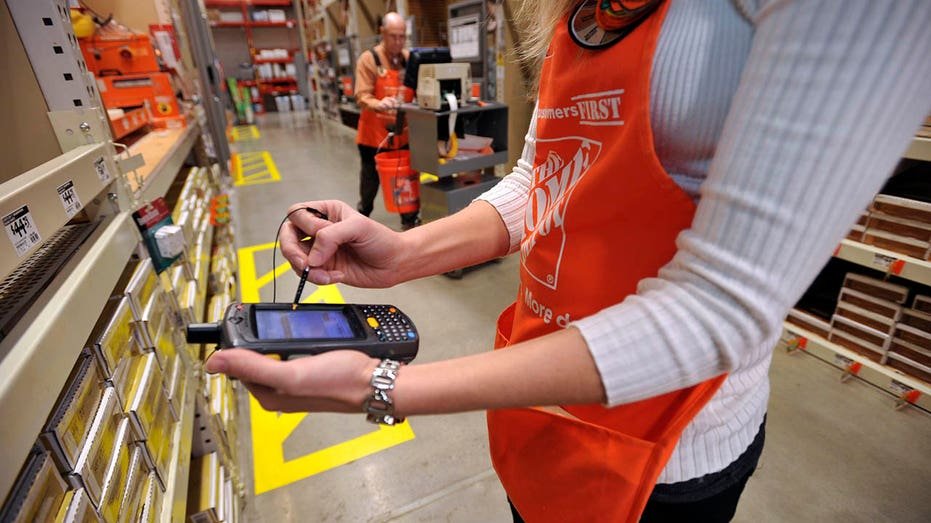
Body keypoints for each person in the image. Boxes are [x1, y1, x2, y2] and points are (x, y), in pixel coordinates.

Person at [206, 1, 931, 521]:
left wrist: (387, 384)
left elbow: (723, 308)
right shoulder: (575, 11)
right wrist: (403, 253)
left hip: (666, 455)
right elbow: (543, 180)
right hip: (540, 404)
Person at [353, 11, 419, 230]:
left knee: (405, 182)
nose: (399, 42)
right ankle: (360, 222)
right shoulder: (369, 59)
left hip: (402, 135)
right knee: (370, 185)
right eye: (394, 36)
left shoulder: (410, 60)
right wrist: (377, 103)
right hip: (374, 137)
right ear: (382, 33)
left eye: (402, 36)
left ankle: (408, 226)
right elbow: (362, 95)